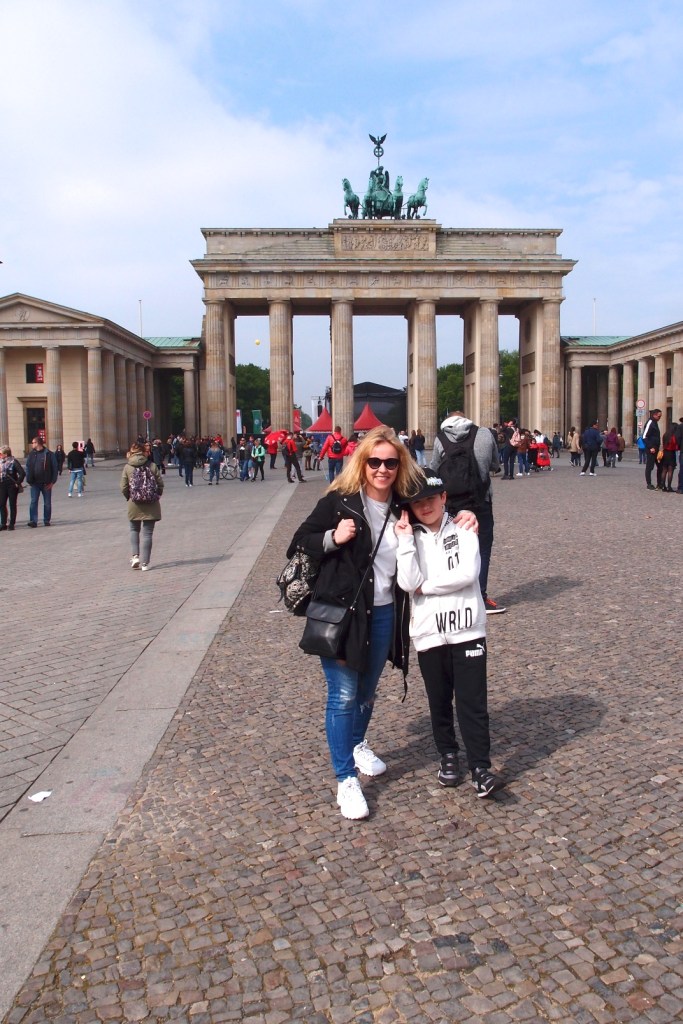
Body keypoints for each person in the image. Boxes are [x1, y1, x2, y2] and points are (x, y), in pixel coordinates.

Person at [286, 427, 477, 821]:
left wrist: (465, 514)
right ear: (362, 462)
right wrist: (332, 537)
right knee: (343, 694)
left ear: (400, 464)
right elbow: (299, 542)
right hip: (343, 612)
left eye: (391, 462)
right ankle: (345, 779)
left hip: (385, 612)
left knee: (367, 691)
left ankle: (356, 743)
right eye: (374, 461)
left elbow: (435, 510)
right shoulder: (339, 501)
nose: (382, 469)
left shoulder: (402, 504)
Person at [395, 472, 502, 798]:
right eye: (417, 502)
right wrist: (404, 542)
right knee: (439, 701)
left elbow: (468, 574)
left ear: (443, 498)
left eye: (431, 498)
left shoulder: (464, 528)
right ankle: (448, 755)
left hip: (467, 630)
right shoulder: (408, 536)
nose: (425, 506)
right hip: (428, 632)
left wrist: (426, 586)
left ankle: (480, 767)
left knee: (473, 702)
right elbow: (406, 581)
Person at [430, 412, 505, 615]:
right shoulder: (484, 434)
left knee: (453, 549)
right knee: (483, 549)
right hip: (481, 501)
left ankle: (457, 597)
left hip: (453, 503)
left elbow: (434, 469)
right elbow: (495, 465)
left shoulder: (441, 438)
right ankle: (480, 597)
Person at [120, 440, 164, 571]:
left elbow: (123, 487)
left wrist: (129, 497)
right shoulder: (152, 465)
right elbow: (160, 484)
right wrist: (156, 496)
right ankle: (145, 563)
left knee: (134, 530)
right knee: (147, 534)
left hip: (134, 503)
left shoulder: (127, 467)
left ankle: (135, 556)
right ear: (144, 452)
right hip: (151, 503)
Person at [25, 436, 58, 527]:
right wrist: (28, 479)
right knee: (34, 501)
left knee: (47, 503)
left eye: (33, 442)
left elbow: (55, 468)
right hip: (34, 483)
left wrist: (52, 482)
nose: (32, 444)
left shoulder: (49, 454)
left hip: (46, 483)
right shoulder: (31, 454)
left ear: (37, 443)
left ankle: (46, 520)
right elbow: (28, 467)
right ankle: (33, 521)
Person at [0, 445, 26, 531]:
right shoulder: (0, 462)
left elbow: (22, 473)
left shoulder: (13, 461)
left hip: (12, 485)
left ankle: (12, 524)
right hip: (2, 484)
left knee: (12, 504)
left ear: (6, 454)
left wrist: (18, 482)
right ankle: (3, 523)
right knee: (2, 504)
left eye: (1, 454)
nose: (0, 455)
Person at [642, 409, 662, 490]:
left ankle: (659, 483)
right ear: (654, 415)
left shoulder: (655, 423)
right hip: (651, 449)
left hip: (656, 448)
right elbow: (644, 436)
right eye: (659, 416)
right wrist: (650, 447)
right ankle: (649, 484)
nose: (660, 417)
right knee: (649, 467)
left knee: (660, 466)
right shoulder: (650, 422)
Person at [658, 424, 677, 492]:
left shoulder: (665, 435)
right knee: (670, 471)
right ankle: (669, 486)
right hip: (671, 453)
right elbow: (675, 446)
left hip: (665, 453)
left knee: (664, 470)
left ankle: (663, 486)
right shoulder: (673, 436)